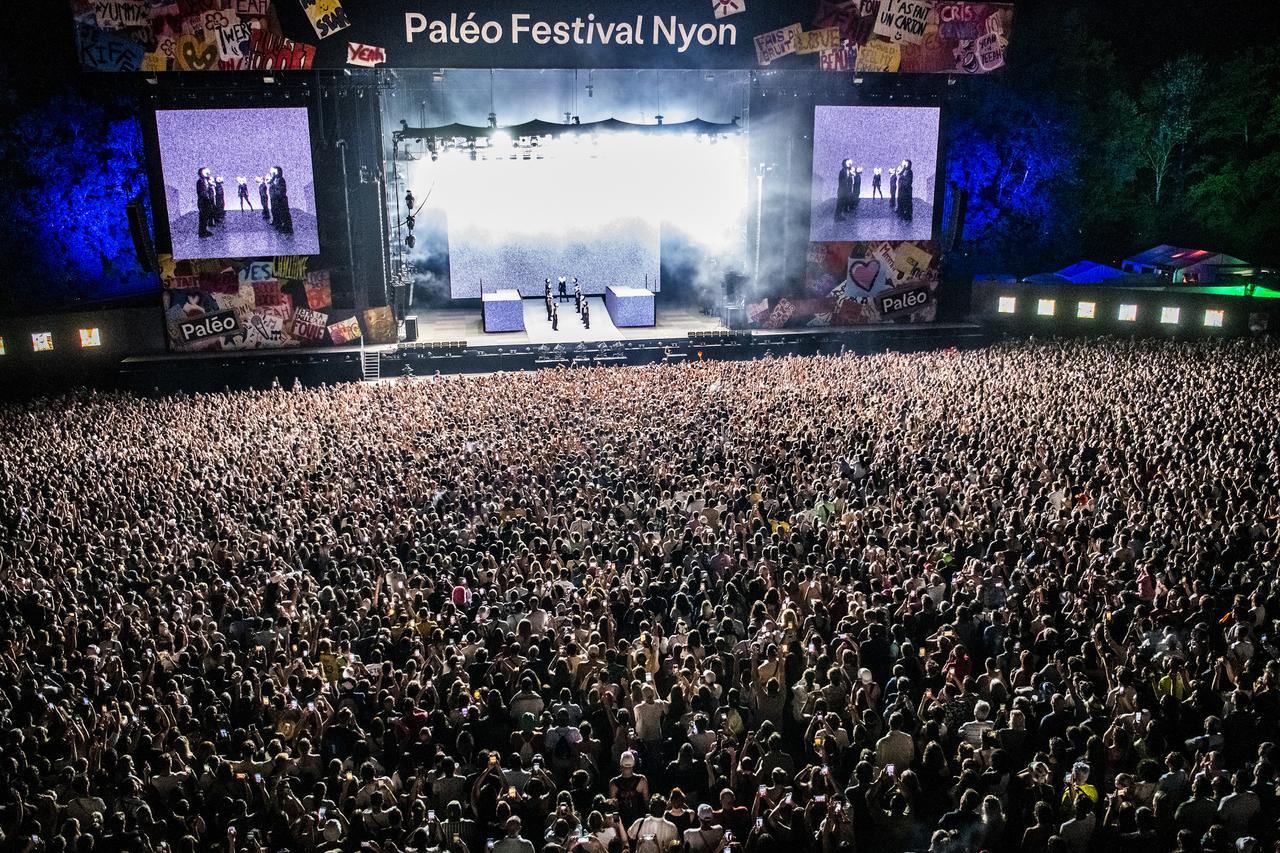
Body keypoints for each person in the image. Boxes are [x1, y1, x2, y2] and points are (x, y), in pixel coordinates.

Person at [269, 165, 294, 234]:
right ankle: (280, 225)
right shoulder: (275, 180)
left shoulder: (280, 179)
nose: (271, 173)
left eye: (273, 172)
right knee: (279, 212)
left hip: (281, 200)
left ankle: (287, 228)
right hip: (277, 200)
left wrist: (277, 193)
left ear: (277, 172)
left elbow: (281, 191)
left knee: (284, 213)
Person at [196, 167, 215, 237]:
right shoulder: (200, 181)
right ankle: (202, 232)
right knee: (203, 217)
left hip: (206, 201)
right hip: (203, 202)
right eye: (204, 172)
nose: (207, 173)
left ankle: (204, 230)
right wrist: (207, 198)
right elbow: (201, 192)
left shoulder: (205, 180)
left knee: (206, 216)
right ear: (201, 173)